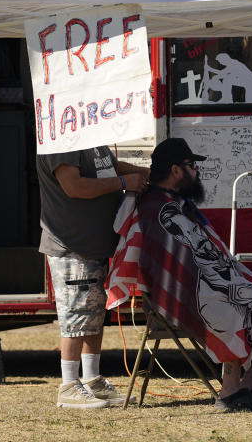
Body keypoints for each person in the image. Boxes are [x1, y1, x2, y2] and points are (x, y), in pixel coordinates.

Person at [134, 137, 252, 411]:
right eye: (192, 165)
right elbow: (173, 267)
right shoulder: (157, 208)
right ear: (175, 170)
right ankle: (229, 392)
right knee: (235, 304)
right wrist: (224, 283)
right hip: (180, 296)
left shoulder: (176, 203)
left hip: (209, 282)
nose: (197, 171)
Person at [37, 145, 149, 408]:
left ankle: (91, 379)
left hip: (93, 246)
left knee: (94, 315)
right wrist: (124, 182)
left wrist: (143, 173)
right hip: (72, 246)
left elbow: (109, 167)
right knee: (76, 316)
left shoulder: (91, 139)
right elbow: (74, 186)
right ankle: (68, 386)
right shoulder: (63, 140)